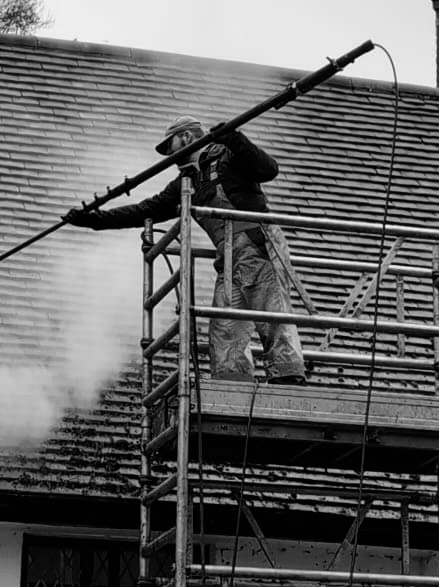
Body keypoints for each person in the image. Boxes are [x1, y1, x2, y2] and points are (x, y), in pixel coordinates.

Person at [66, 115, 306, 385]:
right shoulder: (186, 182)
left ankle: (288, 377)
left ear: (188, 137)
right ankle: (232, 385)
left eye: (170, 145)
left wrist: (234, 138)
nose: (169, 155)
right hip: (228, 256)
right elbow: (145, 210)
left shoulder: (227, 155)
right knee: (224, 326)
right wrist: (95, 220)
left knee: (270, 310)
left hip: (256, 242)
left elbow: (268, 169)